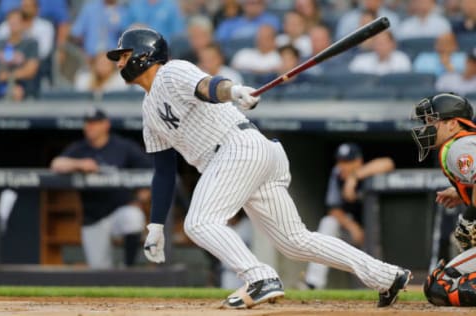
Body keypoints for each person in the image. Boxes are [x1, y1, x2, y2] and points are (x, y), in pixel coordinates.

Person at [106, 27, 411, 309]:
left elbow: (207, 86)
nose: (120, 63)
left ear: (144, 55)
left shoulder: (171, 71)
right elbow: (163, 170)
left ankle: (259, 277)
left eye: (124, 55)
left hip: (236, 148)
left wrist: (233, 91)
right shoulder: (148, 110)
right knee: (294, 241)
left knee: (199, 222)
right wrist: (156, 226)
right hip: (245, 154)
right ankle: (385, 275)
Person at [50, 108, 152, 269]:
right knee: (99, 270)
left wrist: (140, 198)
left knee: (134, 218)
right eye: (87, 123)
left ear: (106, 125)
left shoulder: (122, 146)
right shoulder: (80, 149)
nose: (89, 127)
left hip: (119, 210)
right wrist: (80, 164)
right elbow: (56, 164)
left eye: (94, 123)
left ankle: (128, 267)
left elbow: (150, 170)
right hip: (93, 217)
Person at [410, 92, 476, 306]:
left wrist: (468, 218)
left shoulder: (458, 147)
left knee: (443, 286)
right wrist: (462, 192)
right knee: (438, 286)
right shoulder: (467, 143)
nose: (427, 128)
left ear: (453, 124)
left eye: (433, 121)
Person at [304, 143, 395, 289]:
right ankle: (313, 283)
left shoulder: (368, 171)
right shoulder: (337, 174)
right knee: (328, 222)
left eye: (347, 162)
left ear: (358, 161)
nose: (342, 166)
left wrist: (353, 177)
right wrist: (352, 227)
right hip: (353, 231)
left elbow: (388, 163)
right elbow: (333, 209)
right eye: (340, 161)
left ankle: (387, 283)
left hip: (379, 230)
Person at [0, 9, 39, 100]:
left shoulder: (30, 44)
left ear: (23, 23)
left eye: (17, 21)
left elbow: (30, 70)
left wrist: (8, 77)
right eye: (11, 21)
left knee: (16, 92)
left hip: (22, 85)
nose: (13, 24)